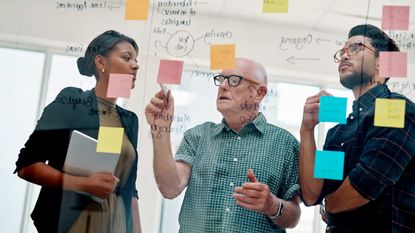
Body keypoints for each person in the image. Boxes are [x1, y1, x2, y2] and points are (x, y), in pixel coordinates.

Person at [145, 58, 301, 232]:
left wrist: (272, 205)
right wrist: (161, 131)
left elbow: (294, 216)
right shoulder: (197, 136)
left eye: (234, 80)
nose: (223, 86)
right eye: (221, 79)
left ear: (259, 92)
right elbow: (170, 188)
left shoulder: (286, 144)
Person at [14, 30, 142, 233]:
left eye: (136, 60)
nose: (135, 65)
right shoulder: (71, 102)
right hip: (72, 225)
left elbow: (130, 189)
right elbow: (27, 166)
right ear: (101, 62)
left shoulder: (130, 120)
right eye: (127, 58)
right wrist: (83, 184)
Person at [299, 24, 415, 232]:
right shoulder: (339, 131)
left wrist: (329, 204)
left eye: (356, 48)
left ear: (382, 64)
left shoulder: (395, 109)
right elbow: (312, 194)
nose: (344, 56)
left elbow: (364, 187)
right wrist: (307, 130)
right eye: (342, 51)